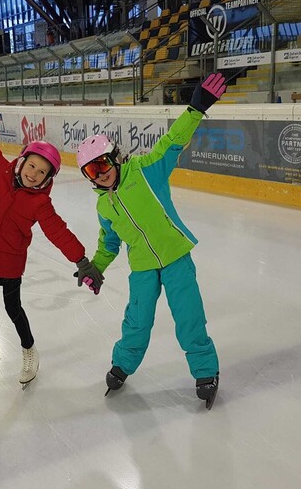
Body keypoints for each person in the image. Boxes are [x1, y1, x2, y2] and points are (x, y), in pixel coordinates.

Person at [75, 72, 227, 409]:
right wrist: (95, 267)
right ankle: (123, 365)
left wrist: (196, 108)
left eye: (101, 164)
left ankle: (205, 371)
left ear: (114, 157)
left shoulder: (146, 169)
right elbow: (108, 243)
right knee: (137, 320)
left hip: (175, 257)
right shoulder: (104, 205)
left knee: (188, 317)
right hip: (142, 267)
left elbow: (173, 139)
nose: (100, 174)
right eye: (90, 171)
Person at [0, 77, 103, 388]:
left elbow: (59, 232)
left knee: (13, 309)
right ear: (23, 160)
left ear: (47, 178)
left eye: (42, 172)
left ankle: (29, 349)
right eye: (32, 166)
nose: (34, 174)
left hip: (8, 264)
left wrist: (81, 260)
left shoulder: (40, 203)